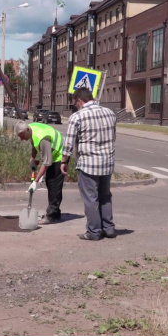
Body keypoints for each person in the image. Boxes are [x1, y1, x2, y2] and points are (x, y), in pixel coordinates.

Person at [60, 87, 117, 241]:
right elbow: (113, 137)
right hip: (107, 163)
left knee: (91, 198)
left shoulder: (77, 117)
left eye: (75, 103)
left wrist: (64, 161)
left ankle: (94, 231)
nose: (75, 106)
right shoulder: (110, 113)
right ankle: (109, 228)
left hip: (88, 164)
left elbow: (69, 144)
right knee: (105, 196)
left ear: (79, 100)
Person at [14, 120, 65, 225]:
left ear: (27, 130)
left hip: (60, 154)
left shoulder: (43, 139)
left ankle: (51, 216)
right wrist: (32, 158)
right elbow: (34, 143)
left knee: (53, 184)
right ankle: (56, 213)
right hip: (51, 153)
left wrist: (35, 181)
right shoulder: (31, 129)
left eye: (22, 136)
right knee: (50, 183)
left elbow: (46, 163)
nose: (21, 139)